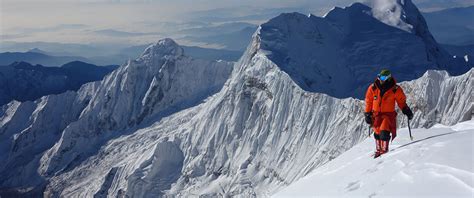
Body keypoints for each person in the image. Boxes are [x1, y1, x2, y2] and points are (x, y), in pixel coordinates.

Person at [364, 69, 414, 158]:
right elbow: (369, 101)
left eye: (383, 77)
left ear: (388, 78)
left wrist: (406, 109)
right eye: (379, 76)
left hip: (388, 115)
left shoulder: (395, 89)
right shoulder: (373, 88)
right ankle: (378, 150)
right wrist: (367, 113)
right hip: (376, 115)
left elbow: (401, 101)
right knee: (377, 133)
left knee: (384, 132)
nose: (380, 79)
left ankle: (384, 150)